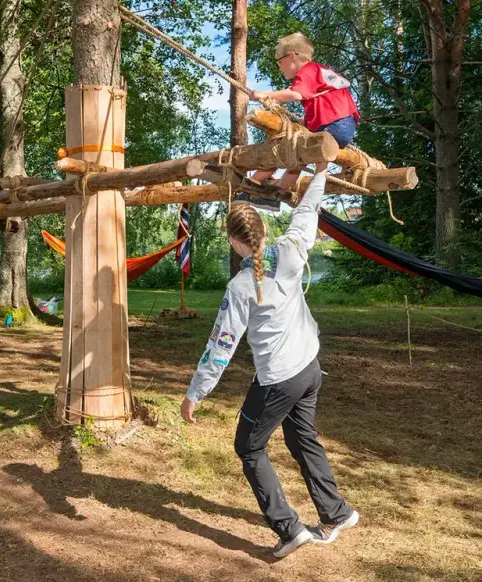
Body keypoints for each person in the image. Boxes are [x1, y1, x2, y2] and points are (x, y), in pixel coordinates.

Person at [180, 163, 358, 559]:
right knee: (301, 437)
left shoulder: (242, 285)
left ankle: (290, 529)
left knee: (248, 446)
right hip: (309, 368)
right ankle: (336, 513)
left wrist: (195, 394)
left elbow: (220, 346)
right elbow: (307, 211)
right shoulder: (290, 251)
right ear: (261, 231)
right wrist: (322, 170)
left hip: (280, 378)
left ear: (233, 240)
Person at [249, 33, 360, 191]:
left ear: (292, 56)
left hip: (333, 126)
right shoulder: (321, 71)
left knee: (290, 148)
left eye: (280, 61)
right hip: (344, 126)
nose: (279, 67)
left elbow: (295, 94)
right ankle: (280, 189)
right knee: (301, 155)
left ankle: (253, 184)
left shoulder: (307, 70)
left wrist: (265, 94)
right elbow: (322, 103)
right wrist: (306, 121)